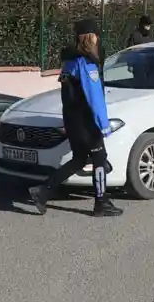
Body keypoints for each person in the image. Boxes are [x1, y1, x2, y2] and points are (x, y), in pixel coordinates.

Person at [29, 19, 122, 216]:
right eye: (97, 35)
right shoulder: (87, 63)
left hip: (73, 120)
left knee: (80, 159)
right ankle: (101, 203)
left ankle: (43, 191)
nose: (99, 39)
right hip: (87, 122)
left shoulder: (70, 62)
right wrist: (103, 125)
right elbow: (94, 97)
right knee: (99, 158)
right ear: (92, 37)